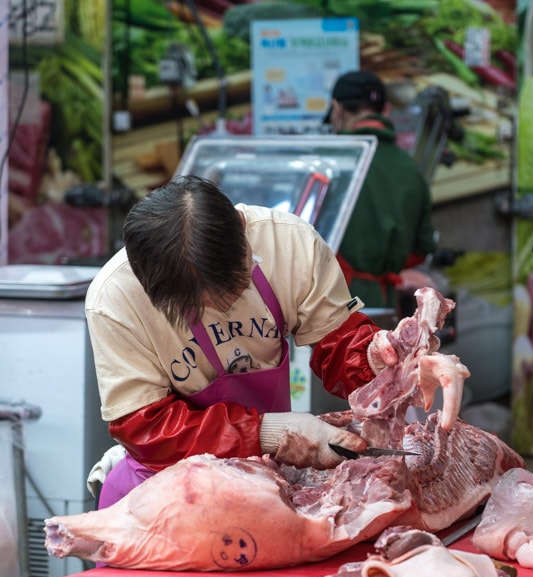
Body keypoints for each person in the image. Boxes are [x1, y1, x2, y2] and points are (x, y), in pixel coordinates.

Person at [85, 175, 398, 509]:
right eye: (197, 303)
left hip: (264, 481)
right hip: (160, 488)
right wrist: (270, 433)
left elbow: (340, 346)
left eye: (230, 291)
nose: (218, 308)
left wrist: (387, 363)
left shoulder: (289, 245)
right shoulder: (114, 299)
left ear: (244, 232)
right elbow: (145, 427)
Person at [325, 70, 437, 309]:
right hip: (385, 305)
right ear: (386, 110)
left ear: (336, 109)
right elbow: (423, 247)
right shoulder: (409, 168)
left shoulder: (328, 161)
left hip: (332, 305)